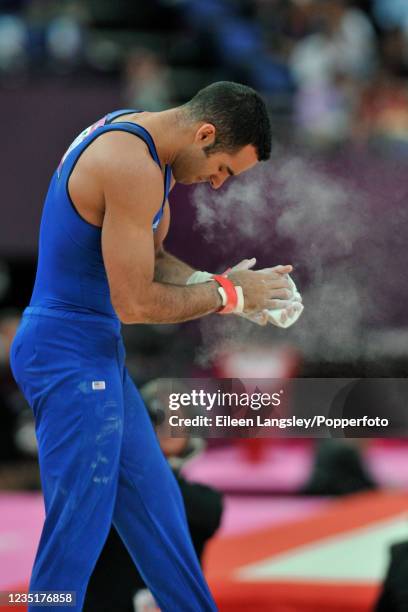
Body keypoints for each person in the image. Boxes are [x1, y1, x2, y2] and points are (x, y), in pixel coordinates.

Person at [9, 81, 293, 611]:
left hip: (95, 352)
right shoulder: (129, 161)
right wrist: (227, 296)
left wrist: (226, 286)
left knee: (163, 522)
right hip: (65, 352)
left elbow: (154, 261)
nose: (215, 184)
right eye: (224, 169)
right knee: (76, 537)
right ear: (205, 133)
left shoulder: (150, 152)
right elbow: (134, 304)